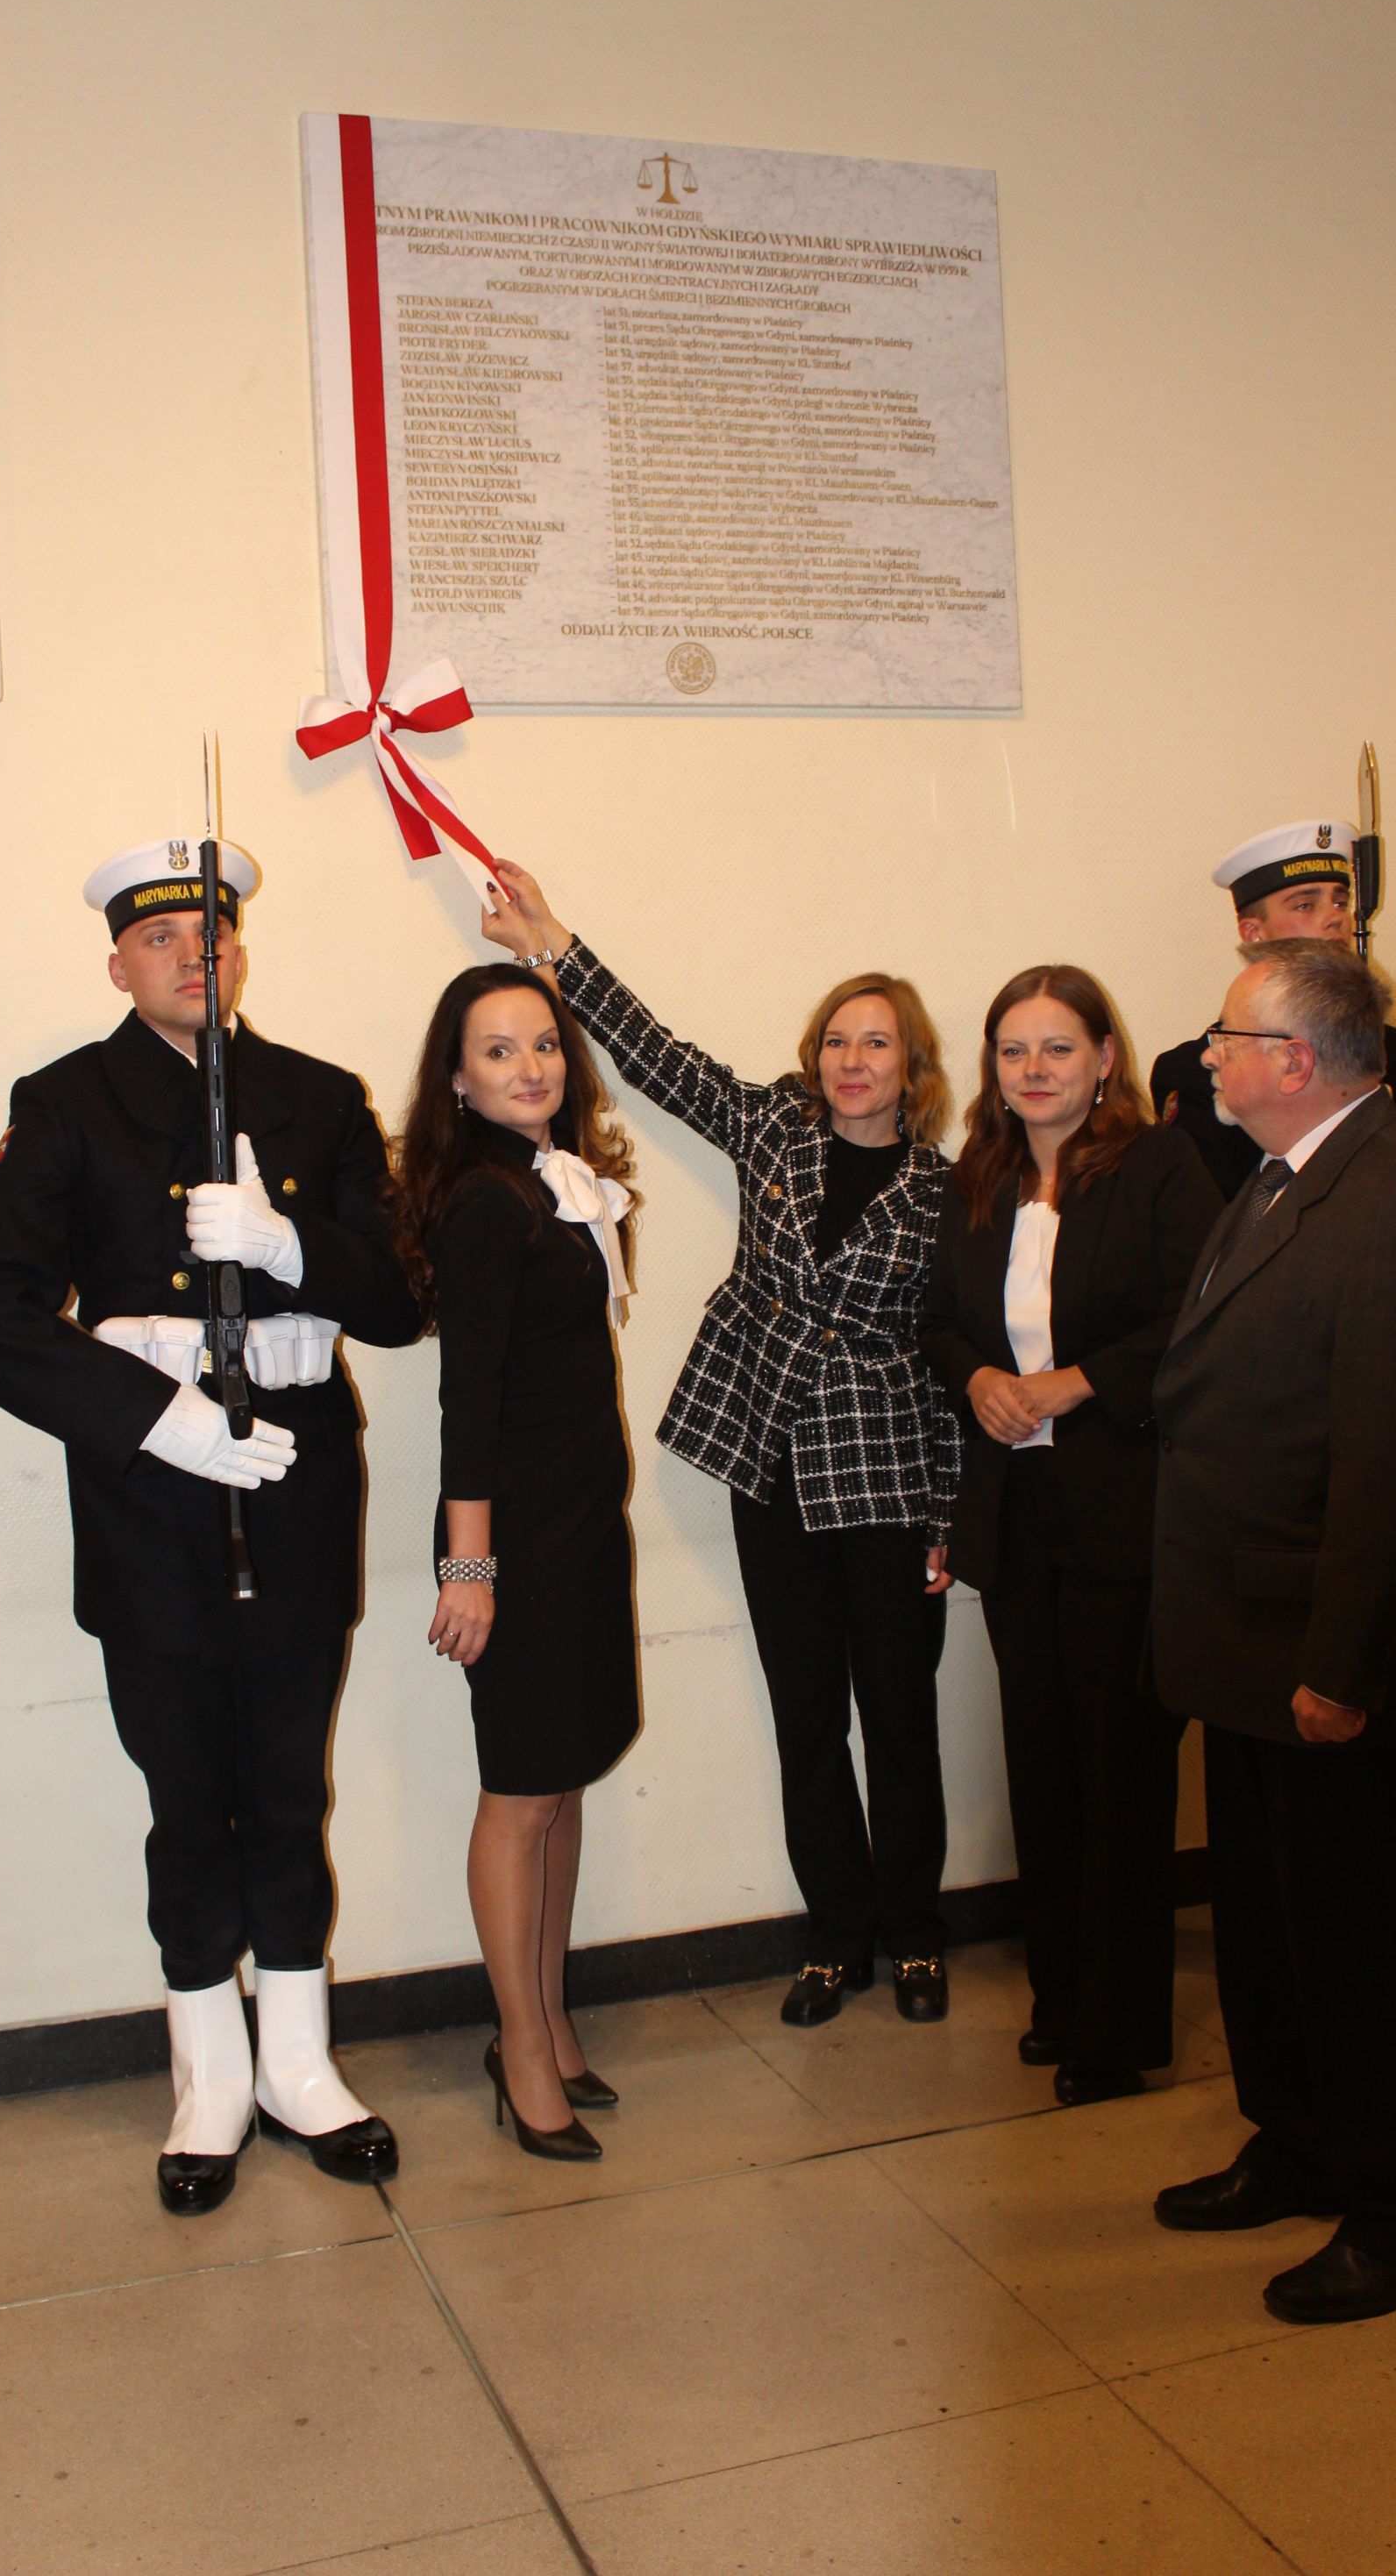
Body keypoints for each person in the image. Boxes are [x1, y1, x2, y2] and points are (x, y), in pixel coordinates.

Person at [0, 837, 421, 2214]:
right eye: (161, 939)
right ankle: (209, 2074)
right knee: (187, 1797)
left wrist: (288, 1245)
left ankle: (300, 2063)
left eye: (212, 933)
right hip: (149, 1506)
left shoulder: (319, 1099)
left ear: (239, 950)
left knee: (290, 1787)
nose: (194, 954)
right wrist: (158, 1418)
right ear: (118, 965)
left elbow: (400, 1301)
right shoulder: (66, 1105)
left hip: (298, 1487)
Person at [480, 865, 958, 2031]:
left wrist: (950, 1515)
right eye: (834, 1040)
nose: (850, 1060)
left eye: (876, 1044)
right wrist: (552, 945)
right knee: (807, 1716)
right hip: (773, 1466)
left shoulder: (949, 1193)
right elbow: (659, 1057)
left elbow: (955, 1356)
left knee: (900, 1719)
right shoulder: (775, 1129)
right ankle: (835, 1939)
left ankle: (914, 1934)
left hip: (888, 1478)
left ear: (912, 1067)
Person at [1150, 938, 1396, 2325]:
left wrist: (1341, 1671)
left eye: (1228, 1037)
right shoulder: (1288, 1173)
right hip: (1250, 1642)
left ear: (1293, 1062)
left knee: (1364, 1947)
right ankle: (1297, 2141)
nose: (1208, 1056)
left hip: (1333, 1660)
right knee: (1271, 1928)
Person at [920, 969, 1220, 2106]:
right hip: (1014, 1516)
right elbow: (937, 1322)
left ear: (1104, 1058)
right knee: (1041, 1770)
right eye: (1013, 1050)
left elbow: (1202, 1313)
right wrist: (979, 1378)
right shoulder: (979, 1176)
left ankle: (1120, 2027)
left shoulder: (1157, 1167)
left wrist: (1080, 1380)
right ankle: (1058, 2000)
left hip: (1122, 1509)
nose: (1033, 1069)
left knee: (1120, 1774)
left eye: (1057, 1048)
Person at [396, 965, 640, 2162]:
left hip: (582, 1523)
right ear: (456, 1077)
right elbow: (468, 1399)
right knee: (522, 1792)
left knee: (567, 1778)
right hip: (518, 1542)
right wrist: (469, 1567)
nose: (529, 1067)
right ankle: (523, 2049)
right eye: (497, 1051)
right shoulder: (486, 1204)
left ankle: (549, 2019)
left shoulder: (556, 1180)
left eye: (543, 1044)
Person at [1149, 822, 1396, 1236]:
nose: (1335, 918)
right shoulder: (1196, 1072)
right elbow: (1205, 1227)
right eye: (1305, 905)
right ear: (1253, 933)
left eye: (1340, 901)